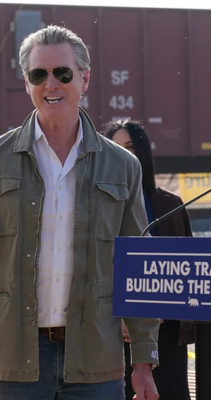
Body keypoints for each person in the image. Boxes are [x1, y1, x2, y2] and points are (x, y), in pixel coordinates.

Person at [0, 25, 160, 400]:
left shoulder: (122, 166)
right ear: (26, 83)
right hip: (12, 361)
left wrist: (143, 361)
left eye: (63, 73)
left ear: (84, 79)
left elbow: (138, 262)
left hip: (95, 361)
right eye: (38, 75)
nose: (50, 84)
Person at [104, 119, 194, 400]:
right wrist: (120, 316)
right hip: (109, 334)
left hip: (165, 333)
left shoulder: (170, 205)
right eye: (115, 147)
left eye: (130, 147)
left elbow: (186, 271)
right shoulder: (93, 205)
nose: (124, 154)